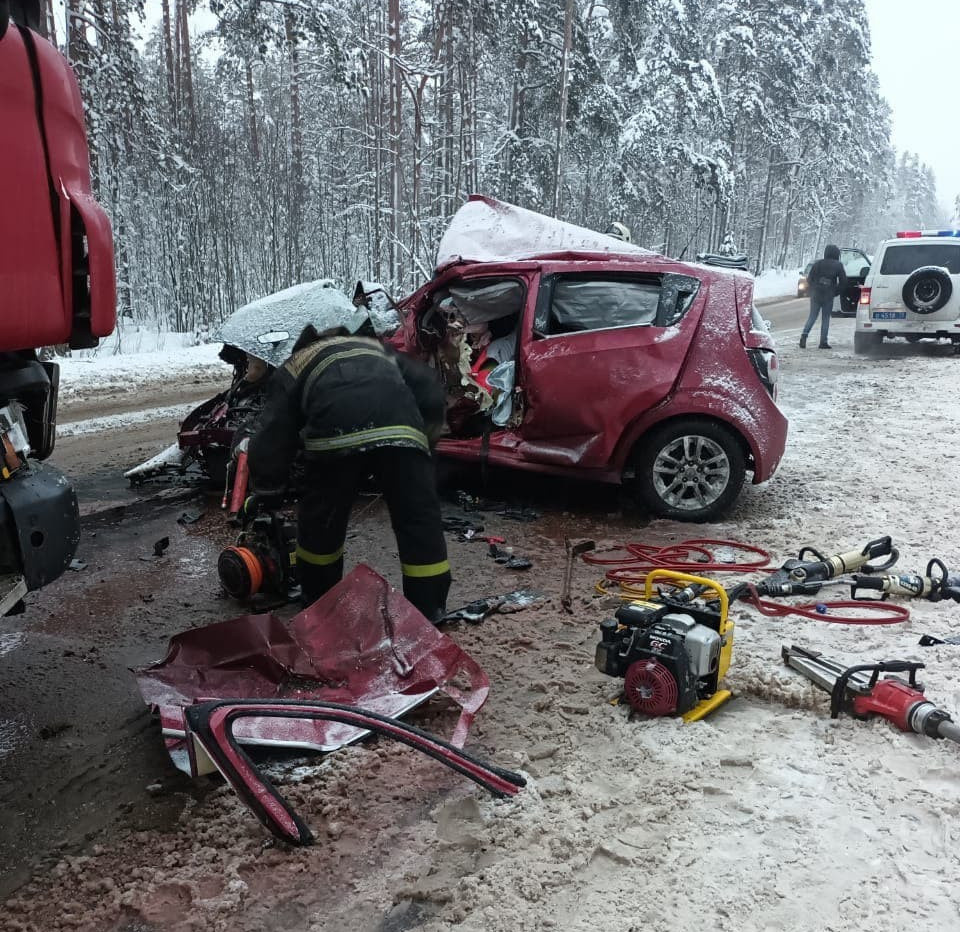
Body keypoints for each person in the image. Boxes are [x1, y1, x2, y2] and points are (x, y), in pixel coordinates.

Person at [246, 325, 451, 621]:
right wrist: (424, 445)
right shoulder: (377, 349)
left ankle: (320, 603)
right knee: (419, 524)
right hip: (404, 433)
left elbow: (272, 433)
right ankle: (430, 610)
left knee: (321, 527)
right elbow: (429, 390)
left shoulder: (297, 362)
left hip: (334, 439)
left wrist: (267, 489)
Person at [801, 244, 847, 349]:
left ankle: (804, 336)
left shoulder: (818, 264)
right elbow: (844, 282)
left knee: (812, 317)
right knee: (825, 319)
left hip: (816, 295)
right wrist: (835, 292)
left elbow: (809, 279)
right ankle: (823, 342)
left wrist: (814, 288)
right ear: (836, 254)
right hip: (828, 295)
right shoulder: (838, 265)